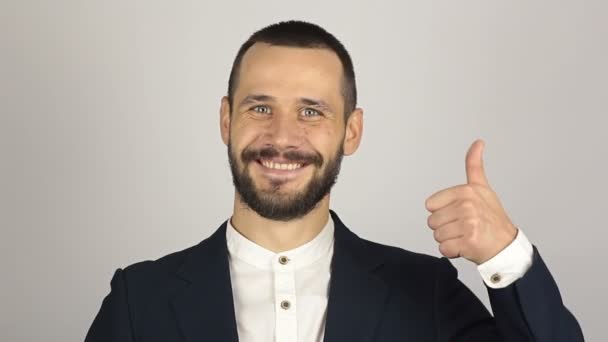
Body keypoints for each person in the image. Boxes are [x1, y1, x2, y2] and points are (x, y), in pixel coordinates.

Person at [85, 20, 584, 342]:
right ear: (226, 121)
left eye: (311, 111)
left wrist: (505, 255)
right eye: (260, 107)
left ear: (351, 131)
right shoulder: (139, 301)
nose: (282, 137)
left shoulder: (424, 292)